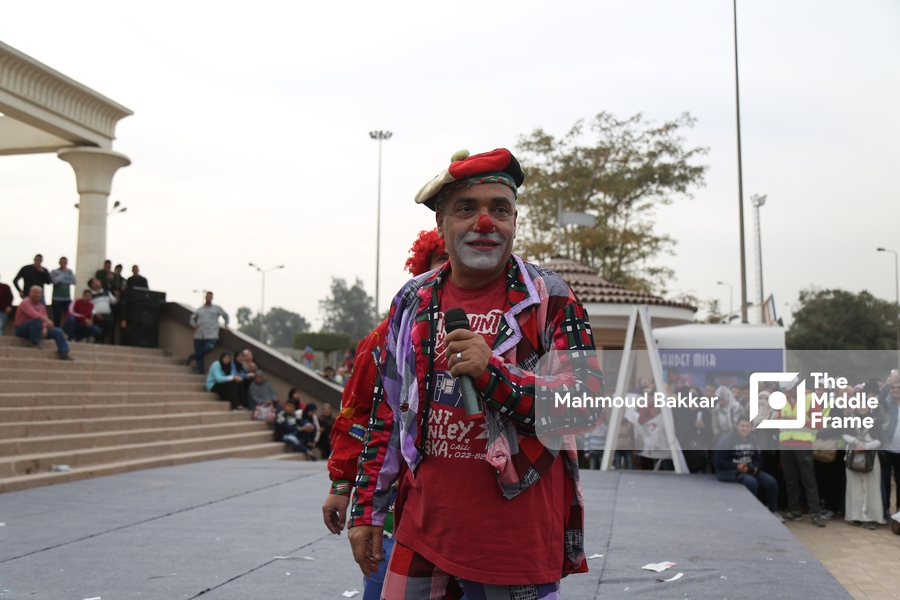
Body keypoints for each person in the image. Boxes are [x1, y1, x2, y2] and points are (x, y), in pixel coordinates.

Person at [348, 148, 602, 596]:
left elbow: (584, 406)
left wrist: (493, 375)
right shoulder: (413, 300)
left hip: (513, 543)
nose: (485, 223)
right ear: (440, 224)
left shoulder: (551, 298)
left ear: (515, 222)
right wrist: (368, 508)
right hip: (422, 528)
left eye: (499, 210)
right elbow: (387, 409)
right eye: (467, 209)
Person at [322, 229, 449, 600]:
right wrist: (341, 486)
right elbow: (356, 417)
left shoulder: (503, 330)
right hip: (396, 511)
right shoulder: (383, 339)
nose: (450, 272)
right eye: (440, 263)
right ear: (422, 272)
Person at [779, 378, 826, 526]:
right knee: (790, 479)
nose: (788, 393)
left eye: (790, 390)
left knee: (808, 479)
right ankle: (795, 511)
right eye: (786, 391)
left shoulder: (810, 398)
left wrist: (799, 420)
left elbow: (819, 423)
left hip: (803, 444)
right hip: (785, 443)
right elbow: (779, 419)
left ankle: (816, 514)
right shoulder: (783, 398)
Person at [715, 416, 780, 518]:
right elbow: (718, 462)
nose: (744, 429)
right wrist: (737, 466)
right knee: (751, 482)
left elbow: (758, 458)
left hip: (748, 469)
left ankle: (774, 511)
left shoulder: (753, 439)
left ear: (752, 428)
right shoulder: (727, 439)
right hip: (727, 471)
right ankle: (751, 512)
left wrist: (755, 468)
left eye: (747, 426)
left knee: (771, 482)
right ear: (737, 426)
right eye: (742, 426)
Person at [843, 403, 885, 529]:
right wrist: (855, 442)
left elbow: (879, 440)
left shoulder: (875, 420)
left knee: (870, 487)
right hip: (853, 454)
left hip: (870, 456)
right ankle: (855, 516)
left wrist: (865, 447)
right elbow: (845, 434)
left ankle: (869, 517)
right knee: (854, 487)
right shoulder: (850, 419)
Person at [14, 285, 71, 360]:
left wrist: (44, 327)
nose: (37, 294)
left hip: (38, 329)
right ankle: (34, 342)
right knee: (36, 321)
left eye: (39, 293)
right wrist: (45, 320)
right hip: (21, 329)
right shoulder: (25, 302)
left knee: (57, 331)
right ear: (29, 293)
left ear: (42, 295)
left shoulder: (41, 306)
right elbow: (33, 314)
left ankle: (63, 352)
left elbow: (44, 317)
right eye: (35, 292)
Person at [187, 291, 229, 374]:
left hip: (211, 335)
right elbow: (192, 318)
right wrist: (193, 324)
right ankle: (200, 369)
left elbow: (225, 315)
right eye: (207, 297)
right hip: (199, 334)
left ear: (212, 298)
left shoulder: (216, 308)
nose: (208, 298)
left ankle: (192, 357)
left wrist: (226, 325)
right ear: (205, 297)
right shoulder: (200, 309)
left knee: (208, 348)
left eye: (210, 297)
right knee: (200, 353)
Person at [881, 377, 900, 522]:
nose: (895, 390)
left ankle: (898, 513)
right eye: (893, 387)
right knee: (885, 480)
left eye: (898, 388)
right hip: (887, 449)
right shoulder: (886, 404)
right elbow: (878, 398)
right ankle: (885, 510)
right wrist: (887, 383)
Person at [50, 257, 77, 327]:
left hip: (67, 298)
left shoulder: (70, 271)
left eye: (65, 262)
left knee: (69, 316)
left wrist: (62, 282)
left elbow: (74, 281)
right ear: (59, 262)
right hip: (56, 298)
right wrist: (63, 274)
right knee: (57, 317)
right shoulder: (54, 271)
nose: (63, 264)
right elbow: (55, 281)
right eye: (62, 262)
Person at [88, 277, 116, 343]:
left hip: (106, 314)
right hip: (94, 315)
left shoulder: (106, 292)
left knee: (110, 322)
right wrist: (95, 313)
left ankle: (101, 339)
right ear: (92, 284)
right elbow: (88, 306)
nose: (99, 281)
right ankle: (98, 338)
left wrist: (117, 297)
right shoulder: (90, 294)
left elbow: (113, 301)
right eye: (97, 281)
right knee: (89, 324)